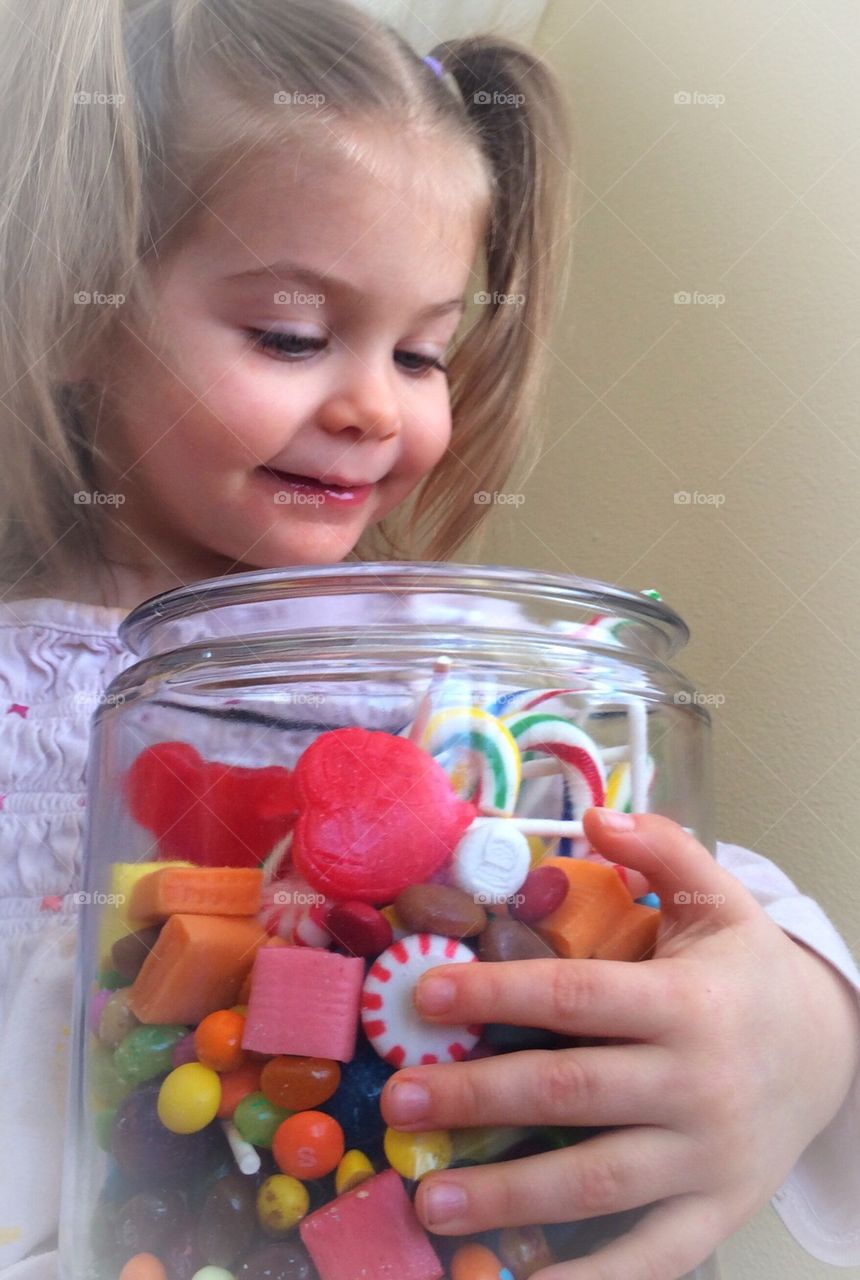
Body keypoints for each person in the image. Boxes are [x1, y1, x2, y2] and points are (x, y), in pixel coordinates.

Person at [0, 1, 857, 1277]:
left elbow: (647, 883)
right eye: (291, 334)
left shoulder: (454, 676)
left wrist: (800, 1033)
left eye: (419, 352)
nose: (368, 406)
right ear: (77, 311)